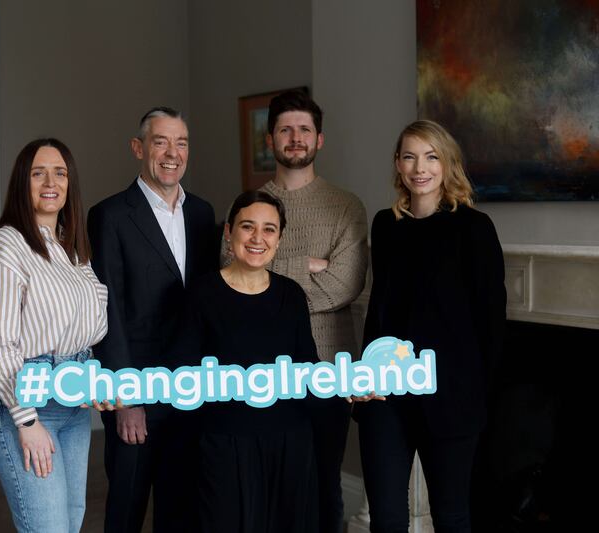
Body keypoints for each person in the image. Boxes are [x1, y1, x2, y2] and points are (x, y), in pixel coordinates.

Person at [223, 89, 368, 532]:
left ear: (319, 139)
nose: (295, 137)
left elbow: (343, 286)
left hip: (329, 369)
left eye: (304, 129)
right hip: (261, 371)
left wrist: (271, 273)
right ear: (270, 140)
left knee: (325, 486)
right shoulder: (250, 205)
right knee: (266, 487)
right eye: (285, 129)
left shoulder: (346, 206)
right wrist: (307, 265)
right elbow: (231, 281)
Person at [354, 120, 506, 532]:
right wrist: (363, 375)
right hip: (386, 395)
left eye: (431, 156)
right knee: (386, 518)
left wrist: (477, 398)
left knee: (451, 516)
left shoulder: (474, 229)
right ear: (398, 165)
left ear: (447, 163)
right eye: (410, 156)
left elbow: (491, 325)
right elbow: (380, 310)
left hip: (451, 399)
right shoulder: (386, 225)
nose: (420, 167)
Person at [0, 138, 116, 533]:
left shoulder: (73, 249)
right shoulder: (5, 246)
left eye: (60, 172)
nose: (50, 181)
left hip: (72, 407)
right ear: (22, 182)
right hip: (26, 404)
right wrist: (26, 421)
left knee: (70, 521)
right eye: (38, 172)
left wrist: (94, 381)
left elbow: (84, 331)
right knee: (47, 527)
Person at [87, 106, 217, 532]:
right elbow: (109, 311)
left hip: (190, 389)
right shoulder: (110, 215)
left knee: (180, 508)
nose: (172, 153)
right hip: (137, 390)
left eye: (181, 143)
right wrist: (126, 399)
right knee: (127, 504)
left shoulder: (202, 214)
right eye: (160, 142)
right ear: (138, 148)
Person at [176, 190, 319, 532]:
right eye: (247, 227)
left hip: (288, 441)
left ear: (280, 238)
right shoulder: (201, 294)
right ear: (229, 232)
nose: (258, 238)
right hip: (223, 443)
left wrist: (349, 388)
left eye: (269, 229)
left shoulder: (292, 294)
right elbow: (180, 371)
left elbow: (309, 368)